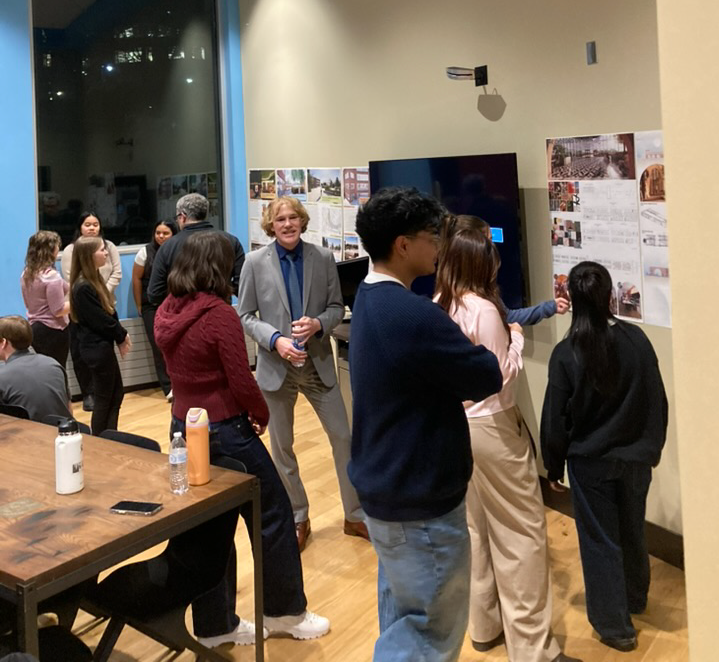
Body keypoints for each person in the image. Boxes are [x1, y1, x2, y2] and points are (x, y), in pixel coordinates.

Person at [348, 187, 502, 662]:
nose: (439, 246)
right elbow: (486, 373)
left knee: (402, 619)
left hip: (385, 492)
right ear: (402, 245)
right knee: (429, 635)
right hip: (421, 505)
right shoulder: (413, 315)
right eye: (431, 236)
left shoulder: (368, 296)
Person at [154, 231, 330, 647]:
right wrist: (260, 413)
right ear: (216, 267)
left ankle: (215, 626)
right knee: (272, 515)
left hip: (182, 426)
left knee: (209, 528)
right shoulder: (218, 314)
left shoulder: (166, 310)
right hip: (226, 429)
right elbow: (240, 379)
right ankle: (285, 612)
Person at [435, 216, 579, 662]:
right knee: (522, 535)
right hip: (495, 427)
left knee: (477, 527)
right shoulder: (482, 309)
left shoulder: (441, 301)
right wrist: (516, 340)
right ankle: (534, 649)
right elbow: (499, 376)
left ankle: (484, 625)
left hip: (459, 430)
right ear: (480, 261)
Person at [540, 261, 668, 653]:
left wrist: (553, 464)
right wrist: (652, 450)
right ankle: (634, 599)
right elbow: (657, 401)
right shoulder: (636, 341)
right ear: (610, 295)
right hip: (635, 461)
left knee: (600, 541)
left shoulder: (566, 354)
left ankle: (615, 627)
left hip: (589, 463)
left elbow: (554, 419)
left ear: (572, 300)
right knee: (632, 530)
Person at [238, 195, 367, 551]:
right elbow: (246, 315)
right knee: (283, 448)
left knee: (343, 438)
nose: (288, 224)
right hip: (277, 369)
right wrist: (275, 340)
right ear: (271, 225)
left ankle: (354, 515)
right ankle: (298, 515)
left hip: (318, 365)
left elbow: (337, 308)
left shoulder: (323, 258)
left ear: (302, 221)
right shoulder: (253, 263)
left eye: (293, 217)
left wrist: (318, 324)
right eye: (280, 219)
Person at [69, 237, 131, 436]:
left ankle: (110, 435)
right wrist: (121, 335)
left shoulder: (94, 280)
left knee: (115, 394)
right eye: (102, 250)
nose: (106, 253)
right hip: (95, 349)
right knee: (105, 397)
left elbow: (109, 311)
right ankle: (101, 438)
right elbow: (101, 320)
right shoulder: (83, 287)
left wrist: (121, 334)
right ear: (89, 256)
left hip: (102, 346)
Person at [61, 213, 122, 412]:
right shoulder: (73, 251)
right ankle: (88, 392)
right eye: (88, 224)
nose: (92, 228)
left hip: (104, 302)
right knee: (81, 353)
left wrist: (102, 290)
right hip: (85, 307)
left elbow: (117, 273)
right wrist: (95, 292)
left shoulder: (110, 247)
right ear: (80, 227)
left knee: (114, 392)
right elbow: (70, 276)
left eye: (96, 224)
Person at [147, 193, 244, 304]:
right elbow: (241, 286)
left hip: (182, 315)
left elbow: (155, 294)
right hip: (220, 314)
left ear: (182, 217)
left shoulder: (168, 247)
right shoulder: (231, 241)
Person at [131, 219, 177, 400]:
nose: (161, 236)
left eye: (165, 233)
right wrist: (139, 305)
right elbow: (136, 279)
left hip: (175, 304)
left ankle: (180, 383)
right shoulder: (145, 252)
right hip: (152, 306)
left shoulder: (179, 250)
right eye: (158, 233)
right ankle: (168, 387)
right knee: (158, 345)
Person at [0, 315, 71, 422]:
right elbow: (68, 408)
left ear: (4, 343)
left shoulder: (2, 376)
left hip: (27, 436)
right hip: (64, 434)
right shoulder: (53, 364)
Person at [20, 231, 70, 376]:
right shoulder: (51, 277)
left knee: (45, 372)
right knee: (58, 372)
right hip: (53, 330)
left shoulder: (26, 273)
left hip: (35, 328)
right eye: (56, 247)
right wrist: (78, 302)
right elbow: (58, 310)